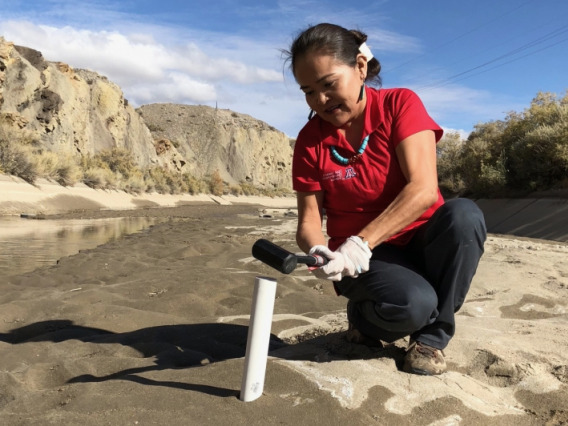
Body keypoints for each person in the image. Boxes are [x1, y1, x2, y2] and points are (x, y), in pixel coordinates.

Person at [283, 23, 487, 376]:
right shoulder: (309, 141)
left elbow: (423, 189)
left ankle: (431, 340)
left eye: (329, 84)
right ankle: (364, 316)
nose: (320, 100)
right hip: (358, 260)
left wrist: (362, 241)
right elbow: (309, 221)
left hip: (413, 241)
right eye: (308, 91)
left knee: (464, 216)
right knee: (413, 304)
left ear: (360, 67)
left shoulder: (400, 104)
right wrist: (322, 253)